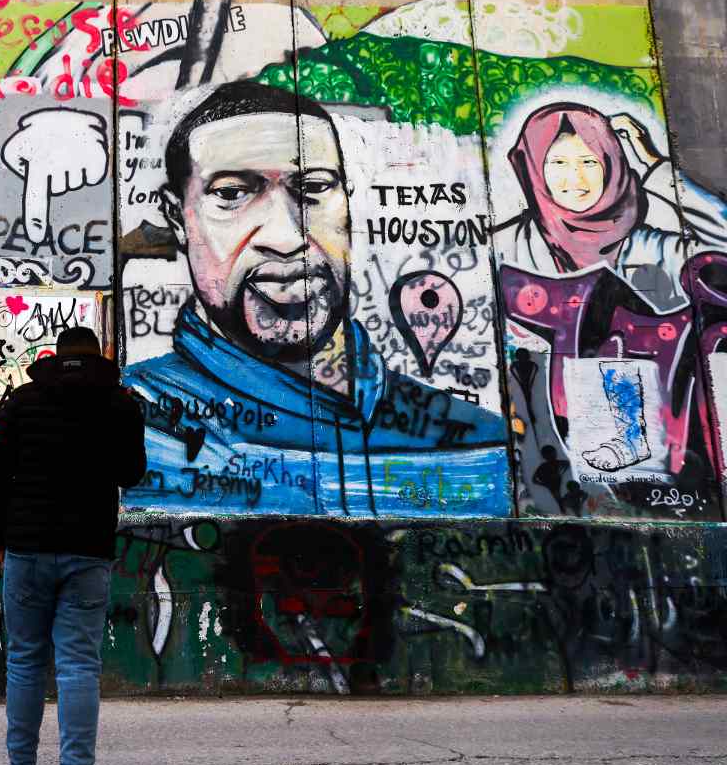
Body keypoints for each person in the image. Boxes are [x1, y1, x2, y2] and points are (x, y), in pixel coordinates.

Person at [123, 80, 507, 516]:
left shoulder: (479, 441)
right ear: (178, 218)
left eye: (313, 187)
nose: (286, 237)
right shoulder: (135, 423)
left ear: (347, 202)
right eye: (231, 194)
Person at [0, 326, 146, 765]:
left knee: (25, 660)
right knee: (78, 666)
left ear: (56, 355)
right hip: (88, 551)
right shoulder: (118, 404)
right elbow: (130, 474)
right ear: (99, 357)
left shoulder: (23, 401)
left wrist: (1, 540)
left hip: (27, 549)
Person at [495, 102, 727, 310]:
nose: (576, 177)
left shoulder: (655, 251)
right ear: (534, 169)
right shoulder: (508, 246)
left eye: (589, 162)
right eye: (558, 163)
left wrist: (654, 164)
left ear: (610, 165)